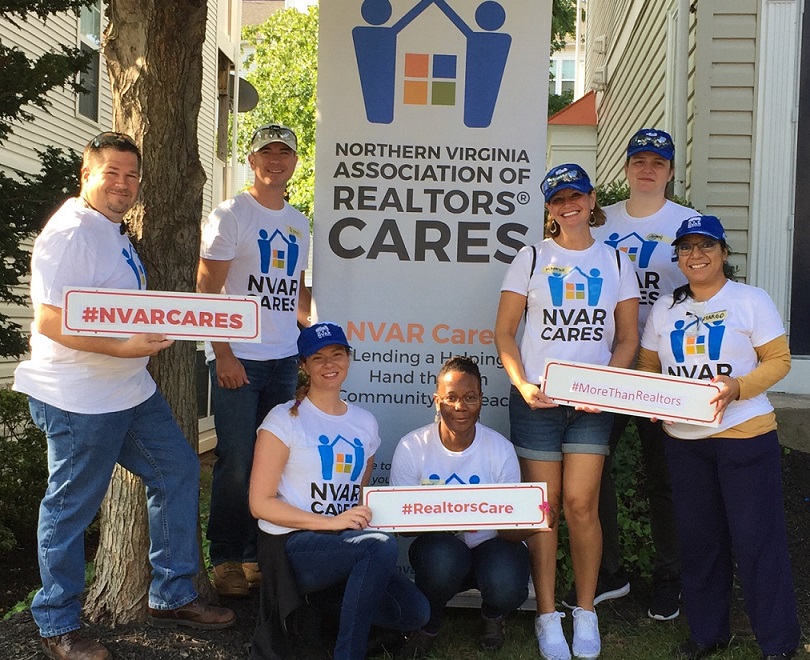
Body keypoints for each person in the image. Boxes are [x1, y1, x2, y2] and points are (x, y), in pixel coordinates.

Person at [13, 132, 235, 660]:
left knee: (178, 470)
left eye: (131, 176)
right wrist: (123, 345)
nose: (123, 184)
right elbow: (48, 319)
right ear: (86, 176)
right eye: (111, 173)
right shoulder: (70, 233)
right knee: (69, 509)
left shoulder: (109, 230)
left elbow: (113, 307)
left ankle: (171, 592)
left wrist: (153, 332)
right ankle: (57, 624)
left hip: (129, 391)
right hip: (79, 398)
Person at [637, 215, 800, 660]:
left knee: (758, 541)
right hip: (685, 440)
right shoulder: (666, 308)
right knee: (700, 541)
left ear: (724, 253)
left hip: (744, 436)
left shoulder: (751, 300)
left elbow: (780, 360)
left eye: (706, 246)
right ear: (679, 257)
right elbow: (648, 366)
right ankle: (708, 634)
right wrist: (652, 399)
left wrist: (738, 387)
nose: (696, 255)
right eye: (687, 248)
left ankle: (778, 643)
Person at [495, 163, 639, 660]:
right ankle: (547, 615)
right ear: (549, 208)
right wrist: (521, 382)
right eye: (557, 199)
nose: (566, 204)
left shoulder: (617, 261)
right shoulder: (532, 257)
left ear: (592, 199)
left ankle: (586, 611)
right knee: (545, 511)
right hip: (538, 402)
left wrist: (607, 387)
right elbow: (505, 333)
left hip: (592, 404)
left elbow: (627, 339)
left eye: (575, 195)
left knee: (582, 505)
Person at [565, 128, 695, 620]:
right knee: (591, 470)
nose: (647, 169)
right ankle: (611, 573)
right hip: (607, 364)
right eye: (638, 159)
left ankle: (670, 575)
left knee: (666, 476)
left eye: (657, 162)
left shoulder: (688, 223)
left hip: (662, 368)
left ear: (670, 171)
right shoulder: (602, 221)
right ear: (624, 167)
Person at [248, 322, 429, 660]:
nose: (329, 364)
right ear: (303, 366)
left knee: (413, 612)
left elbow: (359, 494)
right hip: (292, 544)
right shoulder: (284, 419)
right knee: (377, 547)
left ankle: (321, 617)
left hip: (342, 544)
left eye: (337, 354)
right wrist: (328, 523)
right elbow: (260, 504)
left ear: (349, 358)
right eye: (317, 358)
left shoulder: (365, 424)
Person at [198, 123, 312, 597]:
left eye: (285, 152)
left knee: (273, 461)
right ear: (251, 160)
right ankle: (225, 554)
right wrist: (222, 352)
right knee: (238, 458)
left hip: (284, 360)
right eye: (267, 152)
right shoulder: (230, 214)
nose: (276, 160)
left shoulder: (299, 221)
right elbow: (205, 290)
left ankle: (255, 554)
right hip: (239, 358)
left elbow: (299, 295)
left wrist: (308, 355)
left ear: (294, 162)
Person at [390, 356, 531, 657]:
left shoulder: (500, 450)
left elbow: (512, 530)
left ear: (481, 400)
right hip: (442, 553)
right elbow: (400, 526)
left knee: (507, 582)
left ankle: (492, 615)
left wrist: (532, 520)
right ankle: (430, 624)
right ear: (436, 400)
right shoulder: (412, 447)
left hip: (490, 549)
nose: (460, 407)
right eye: (451, 398)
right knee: (442, 558)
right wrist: (448, 518)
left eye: (469, 398)